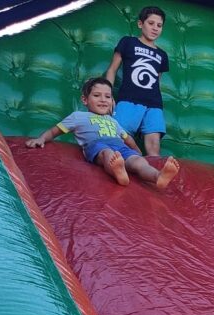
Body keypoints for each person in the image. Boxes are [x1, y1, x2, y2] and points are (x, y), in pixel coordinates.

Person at [25, 77, 180, 189]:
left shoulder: (113, 121)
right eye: (97, 95)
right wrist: (41, 138)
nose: (103, 100)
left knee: (138, 163)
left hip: (120, 147)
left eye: (107, 96)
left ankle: (158, 177)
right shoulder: (78, 116)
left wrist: (138, 153)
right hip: (97, 146)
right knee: (107, 153)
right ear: (85, 100)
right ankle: (117, 172)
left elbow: (127, 139)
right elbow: (55, 130)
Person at [105, 5, 170, 157]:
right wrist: (108, 96)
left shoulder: (162, 55)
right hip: (129, 99)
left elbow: (157, 82)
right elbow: (112, 70)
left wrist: (158, 105)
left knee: (154, 147)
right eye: (151, 23)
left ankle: (153, 177)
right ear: (141, 24)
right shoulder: (128, 42)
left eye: (159, 25)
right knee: (118, 141)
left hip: (153, 104)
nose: (155, 28)